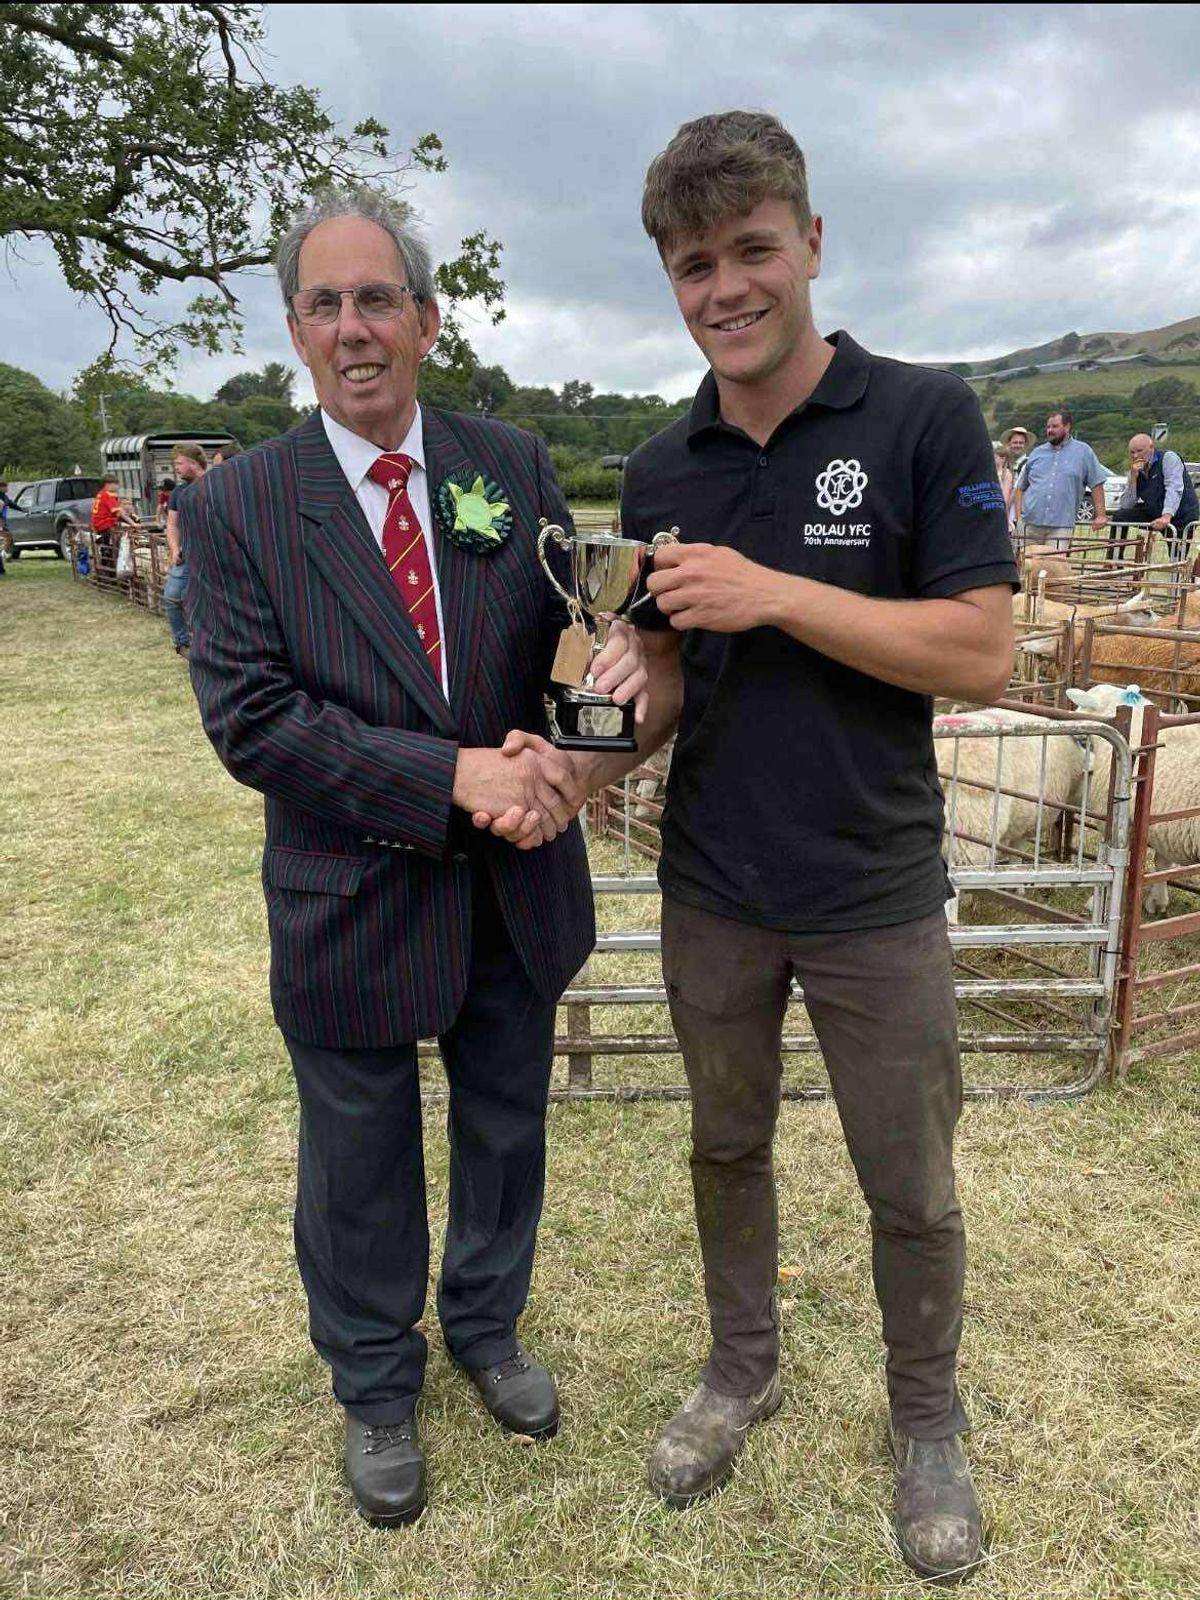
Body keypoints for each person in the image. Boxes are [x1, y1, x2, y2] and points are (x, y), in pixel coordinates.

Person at [502, 110, 1016, 1583]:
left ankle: (927, 1420)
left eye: (749, 253)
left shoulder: (924, 418)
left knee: (908, 1175)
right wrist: (577, 764)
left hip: (872, 890)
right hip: (717, 884)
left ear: (810, 246)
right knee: (723, 1142)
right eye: (690, 265)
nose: (723, 288)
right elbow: (660, 675)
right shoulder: (664, 469)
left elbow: (980, 649)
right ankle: (742, 1369)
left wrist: (776, 592)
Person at [179, 186, 646, 1528]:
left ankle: (487, 1330)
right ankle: (377, 1385)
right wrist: (454, 777)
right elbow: (254, 722)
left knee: (506, 1129)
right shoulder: (241, 510)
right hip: (354, 894)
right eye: (323, 305)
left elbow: (570, 644)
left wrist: (574, 762)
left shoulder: (510, 466)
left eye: (376, 298)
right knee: (359, 1156)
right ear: (294, 332)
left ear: (427, 321)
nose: (352, 327)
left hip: (515, 881)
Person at [1014, 409, 1108, 552]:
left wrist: (1101, 515)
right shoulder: (1037, 453)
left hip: (1061, 525)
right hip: (1030, 523)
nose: (1050, 430)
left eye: (1055, 426)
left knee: (1054, 567)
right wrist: (1018, 516)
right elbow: (1020, 487)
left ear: (1067, 426)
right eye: (1048, 427)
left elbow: (1096, 483)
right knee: (1026, 568)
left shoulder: (1084, 452)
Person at [1110, 432, 1199, 560]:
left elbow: (1174, 488)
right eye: (1132, 452)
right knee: (1120, 516)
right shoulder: (1136, 471)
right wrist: (1133, 479)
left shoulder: (1168, 458)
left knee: (1176, 560)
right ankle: (1113, 561)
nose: (1135, 456)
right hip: (1154, 511)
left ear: (1151, 448)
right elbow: (1126, 504)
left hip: (1181, 516)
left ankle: (1177, 575)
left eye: (1139, 451)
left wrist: (1166, 516)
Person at [163, 445, 207, 655]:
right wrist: (174, 549)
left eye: (179, 463)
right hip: (187, 556)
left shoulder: (214, 485)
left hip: (211, 556)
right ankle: (182, 644)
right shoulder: (179, 492)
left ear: (193, 462)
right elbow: (172, 524)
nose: (176, 468)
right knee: (172, 597)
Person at [90, 473, 140, 579]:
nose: (117, 486)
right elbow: (118, 513)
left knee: (108, 549)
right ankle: (119, 569)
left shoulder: (100, 494)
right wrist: (133, 523)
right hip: (105, 524)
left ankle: (106, 570)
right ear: (107, 484)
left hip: (99, 525)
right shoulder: (107, 495)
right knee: (121, 542)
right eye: (115, 484)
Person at [998, 425, 1033, 542]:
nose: (1017, 445)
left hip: (1018, 513)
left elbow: (1016, 489)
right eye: (1015, 442)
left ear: (1025, 445)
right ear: (1009, 443)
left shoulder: (1027, 463)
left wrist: (1005, 509)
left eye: (1021, 443)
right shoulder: (1006, 464)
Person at [0, 479, 21, 575]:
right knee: (7, 539)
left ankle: (3, 556)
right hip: (1, 522)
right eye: (5, 487)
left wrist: (22, 509)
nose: (7, 488)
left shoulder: (4, 497)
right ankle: (3, 554)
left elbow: (11, 504)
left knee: (9, 540)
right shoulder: (1, 498)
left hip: (3, 522)